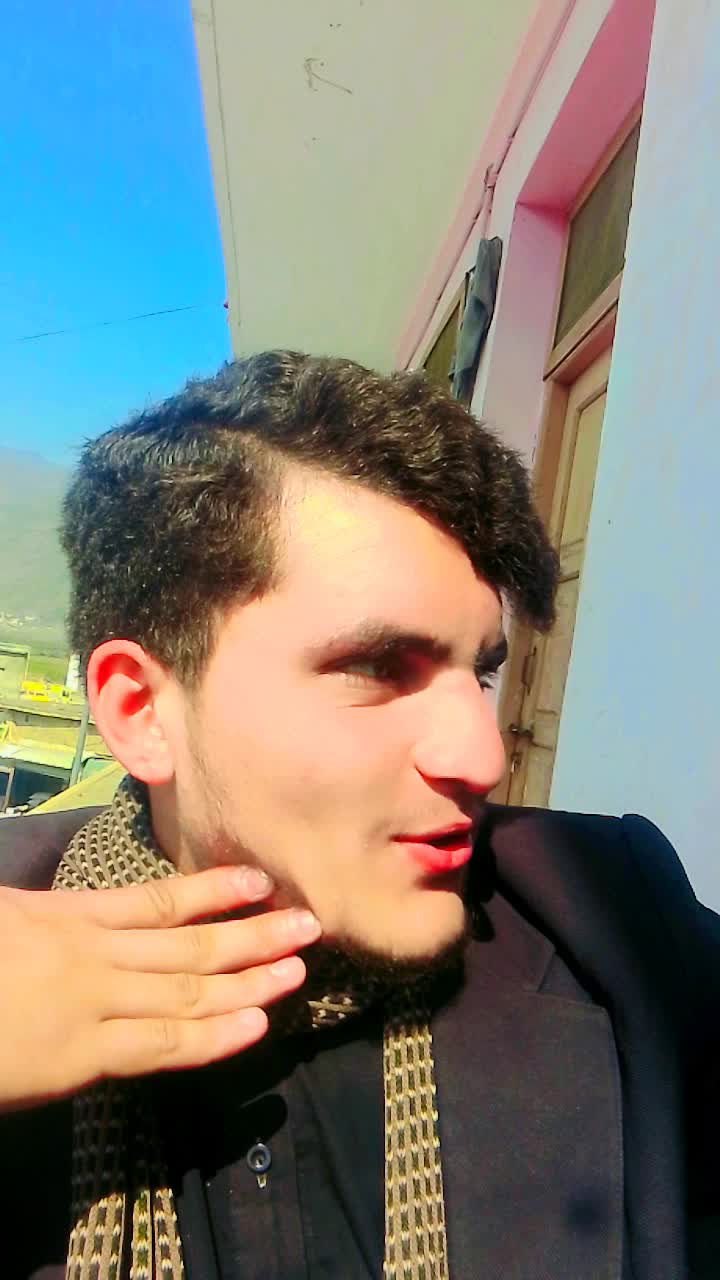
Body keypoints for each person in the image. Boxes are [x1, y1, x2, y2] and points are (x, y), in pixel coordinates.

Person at [0, 351, 717, 1280]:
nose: (484, 758)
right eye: (378, 667)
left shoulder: (615, 924)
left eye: (480, 672)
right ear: (141, 712)